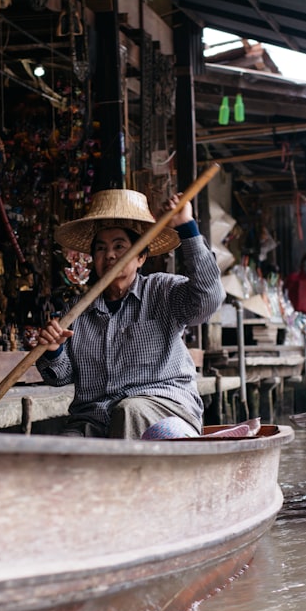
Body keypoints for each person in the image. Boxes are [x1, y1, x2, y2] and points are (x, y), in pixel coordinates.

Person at [35, 188, 225, 439]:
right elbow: (60, 377)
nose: (110, 255)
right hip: (96, 418)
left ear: (141, 257)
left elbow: (209, 299)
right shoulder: (76, 311)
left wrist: (187, 227)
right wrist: (54, 350)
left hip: (164, 410)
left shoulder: (163, 291)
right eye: (101, 248)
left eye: (120, 246)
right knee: (60, 447)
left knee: (129, 411)